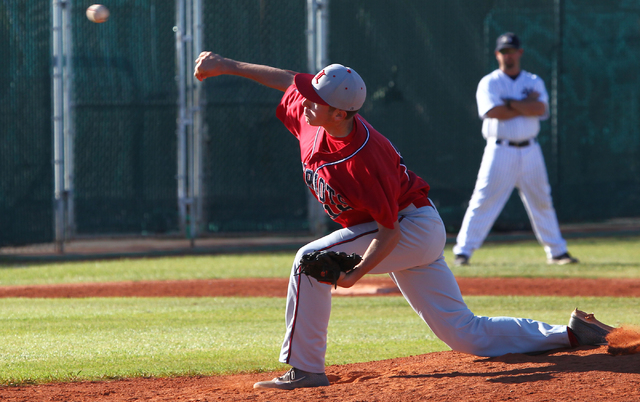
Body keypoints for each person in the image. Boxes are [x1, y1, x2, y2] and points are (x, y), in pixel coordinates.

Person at [193, 52, 612, 391]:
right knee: (464, 335)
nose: (305, 101)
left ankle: (305, 369)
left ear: (341, 114)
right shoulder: (315, 116)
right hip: (408, 229)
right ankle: (573, 333)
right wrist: (226, 66)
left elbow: (390, 231)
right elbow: (287, 79)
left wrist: (356, 274)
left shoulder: (361, 159)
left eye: (315, 98)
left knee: (310, 259)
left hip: (409, 229)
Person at [453, 32, 578, 267]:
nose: (508, 56)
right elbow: (493, 113)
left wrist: (508, 103)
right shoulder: (490, 82)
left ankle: (557, 251)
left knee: (542, 201)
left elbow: (540, 108)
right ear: (497, 54)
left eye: (512, 51)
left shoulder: (533, 80)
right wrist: (522, 105)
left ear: (520, 53)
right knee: (483, 200)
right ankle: (463, 251)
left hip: (531, 150)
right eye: (504, 51)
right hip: (500, 150)